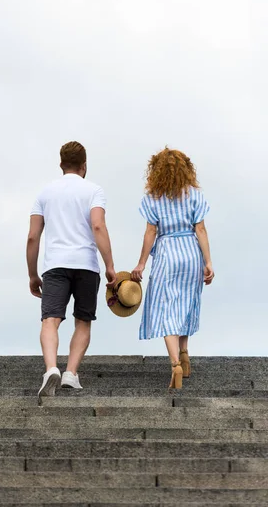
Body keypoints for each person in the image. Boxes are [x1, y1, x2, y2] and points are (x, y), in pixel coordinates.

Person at [27, 141, 116, 401]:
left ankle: (51, 368)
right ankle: (71, 374)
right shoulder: (94, 191)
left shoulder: (45, 193)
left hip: (55, 265)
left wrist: (33, 274)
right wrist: (110, 265)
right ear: (84, 165)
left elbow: (33, 236)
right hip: (86, 265)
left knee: (50, 320)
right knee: (83, 320)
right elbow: (98, 226)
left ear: (61, 164)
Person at [131, 148, 214, 389]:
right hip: (191, 253)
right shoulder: (195, 196)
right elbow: (201, 230)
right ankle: (185, 354)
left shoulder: (152, 198)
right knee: (186, 303)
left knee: (167, 309)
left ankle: (176, 364)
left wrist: (142, 263)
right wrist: (208, 262)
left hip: (167, 252)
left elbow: (150, 232)